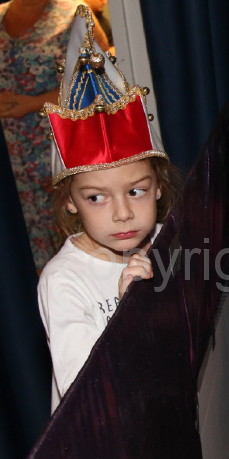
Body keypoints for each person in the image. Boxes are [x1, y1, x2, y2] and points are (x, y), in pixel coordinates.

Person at [36, 5, 179, 412]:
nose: (122, 214)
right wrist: (129, 314)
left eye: (135, 191)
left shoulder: (166, 242)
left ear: (158, 188)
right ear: (70, 200)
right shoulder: (63, 281)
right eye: (96, 197)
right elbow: (87, 395)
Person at [0, 0, 110, 271]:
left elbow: (102, 81)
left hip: (61, 155)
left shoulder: (74, 13)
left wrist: (32, 103)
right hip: (12, 166)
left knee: (76, 249)